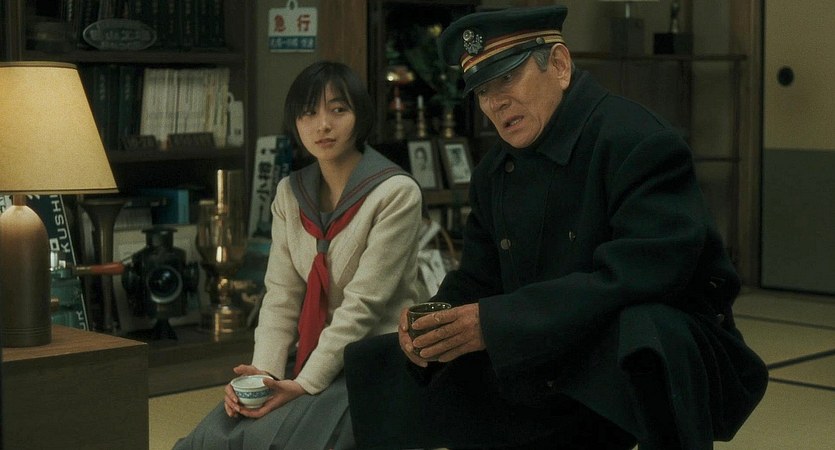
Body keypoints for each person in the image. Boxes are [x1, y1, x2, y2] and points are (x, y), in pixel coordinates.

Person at [344, 6, 768, 450]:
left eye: (507, 78)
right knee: (384, 363)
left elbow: (640, 275)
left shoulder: (637, 140)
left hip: (654, 348)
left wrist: (497, 323)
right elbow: (478, 278)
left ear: (560, 65)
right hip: (550, 338)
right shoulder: (493, 172)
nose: (495, 103)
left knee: (645, 330)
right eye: (483, 91)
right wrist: (436, 319)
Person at [174, 61, 424, 449]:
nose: (323, 125)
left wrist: (303, 383)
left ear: (360, 116)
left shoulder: (396, 194)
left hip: (373, 360)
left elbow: (364, 305)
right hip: (308, 356)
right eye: (308, 113)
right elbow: (281, 297)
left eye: (338, 110)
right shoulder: (290, 194)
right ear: (295, 123)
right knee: (215, 435)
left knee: (288, 438)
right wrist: (263, 377)